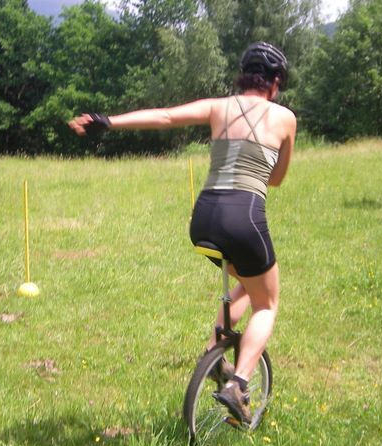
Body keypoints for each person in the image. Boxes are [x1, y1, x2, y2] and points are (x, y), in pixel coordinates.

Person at [68, 42, 296, 424]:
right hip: (243, 218)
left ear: (243, 76)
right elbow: (276, 179)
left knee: (246, 282)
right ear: (274, 82)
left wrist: (106, 120)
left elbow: (165, 116)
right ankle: (239, 384)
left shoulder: (218, 107)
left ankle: (215, 350)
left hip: (203, 220)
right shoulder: (285, 117)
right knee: (267, 304)